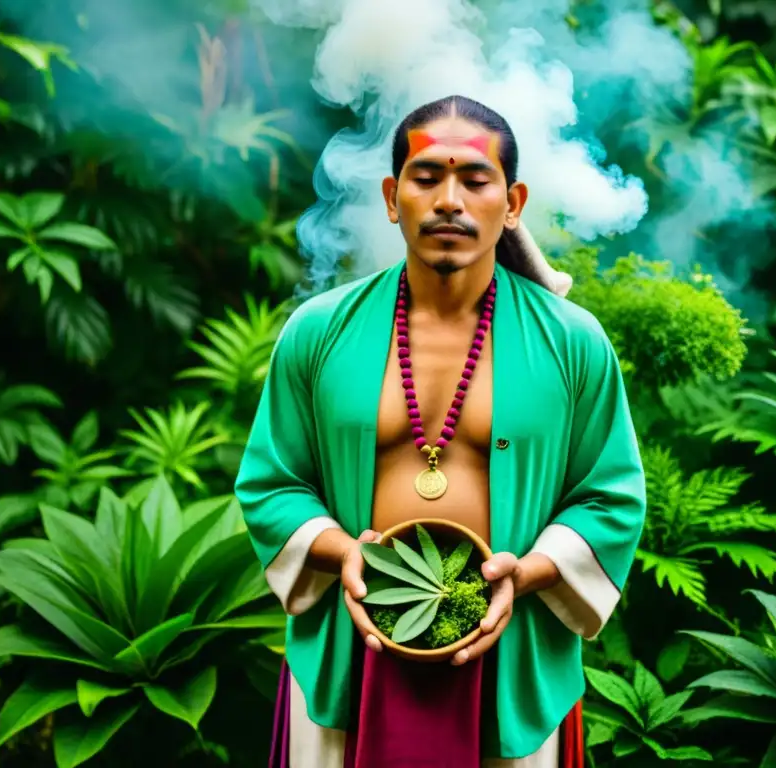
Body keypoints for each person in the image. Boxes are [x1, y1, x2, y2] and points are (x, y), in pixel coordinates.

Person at [234, 94, 646, 768]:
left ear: (512, 203)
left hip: (503, 647)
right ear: (393, 197)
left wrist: (529, 572)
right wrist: (344, 555)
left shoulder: (573, 341)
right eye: (427, 178)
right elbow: (273, 481)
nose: (449, 199)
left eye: (474, 180)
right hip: (356, 637)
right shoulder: (319, 331)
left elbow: (611, 496)